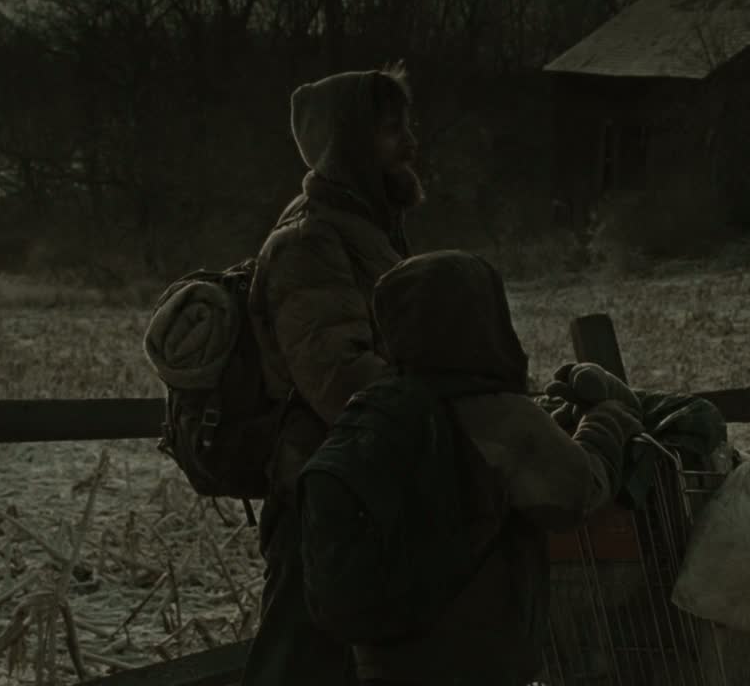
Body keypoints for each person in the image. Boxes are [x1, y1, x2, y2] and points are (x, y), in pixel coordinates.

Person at [351, 249, 642, 686]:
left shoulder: (367, 413)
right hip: (477, 660)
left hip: (383, 662)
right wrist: (607, 421)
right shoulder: (496, 414)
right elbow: (578, 493)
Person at [241, 64, 425, 686]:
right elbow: (341, 380)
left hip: (366, 486)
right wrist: (439, 411)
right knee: (300, 667)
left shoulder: (369, 229)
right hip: (322, 495)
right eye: (391, 130)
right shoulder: (308, 240)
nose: (410, 143)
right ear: (349, 144)